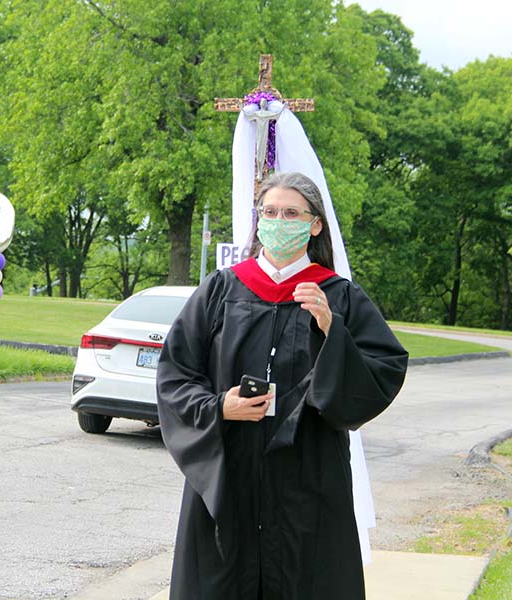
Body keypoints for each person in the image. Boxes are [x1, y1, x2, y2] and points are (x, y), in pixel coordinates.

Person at [156, 171, 408, 599]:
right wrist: (218, 407)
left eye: (291, 212)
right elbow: (176, 373)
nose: (278, 220)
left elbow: (384, 371)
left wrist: (333, 330)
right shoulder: (221, 289)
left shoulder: (339, 296)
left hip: (308, 473)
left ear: (314, 223)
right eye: (269, 212)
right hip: (230, 468)